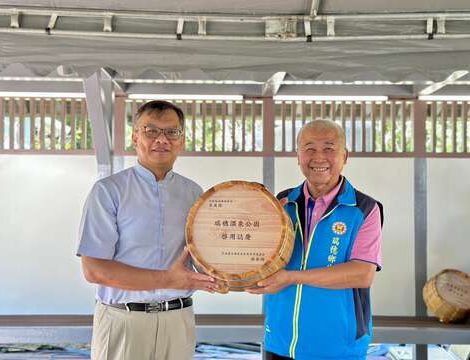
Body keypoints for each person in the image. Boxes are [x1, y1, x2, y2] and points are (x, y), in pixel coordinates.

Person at [77, 100, 217, 360]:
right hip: (123, 319)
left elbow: (204, 260)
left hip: (178, 320)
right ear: (135, 137)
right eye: (151, 130)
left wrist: (238, 263)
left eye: (171, 132)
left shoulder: (194, 193)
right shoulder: (108, 191)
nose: (161, 139)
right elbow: (94, 269)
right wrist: (169, 279)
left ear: (182, 140)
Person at [248, 119, 383, 360]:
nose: (318, 157)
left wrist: (291, 277)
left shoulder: (364, 209)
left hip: (339, 347)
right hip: (280, 341)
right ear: (298, 156)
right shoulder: (282, 202)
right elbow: (263, 257)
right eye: (309, 148)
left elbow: (362, 274)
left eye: (329, 148)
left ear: (344, 156)